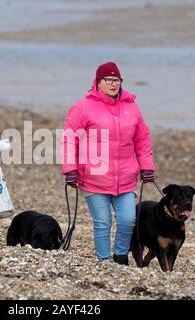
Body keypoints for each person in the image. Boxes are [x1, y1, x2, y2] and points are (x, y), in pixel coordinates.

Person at [61, 61, 155, 265]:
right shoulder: (83, 107)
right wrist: (70, 169)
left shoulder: (132, 108)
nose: (114, 84)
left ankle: (121, 255)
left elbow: (142, 139)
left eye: (117, 80)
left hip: (126, 176)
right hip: (94, 176)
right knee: (103, 222)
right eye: (109, 80)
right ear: (98, 82)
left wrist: (147, 166)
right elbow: (69, 139)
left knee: (128, 220)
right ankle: (103, 260)